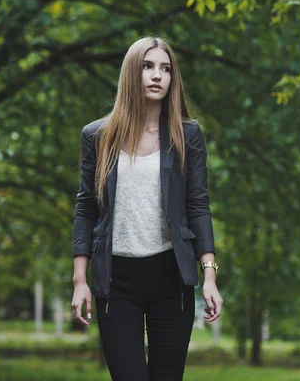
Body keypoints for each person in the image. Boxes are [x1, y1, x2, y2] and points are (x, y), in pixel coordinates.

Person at [71, 36, 223, 380]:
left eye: (165, 69)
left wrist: (209, 274)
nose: (158, 76)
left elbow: (198, 206)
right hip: (116, 279)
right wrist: (80, 279)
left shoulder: (188, 135)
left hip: (171, 277)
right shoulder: (98, 136)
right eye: (148, 67)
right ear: (131, 74)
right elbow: (85, 209)